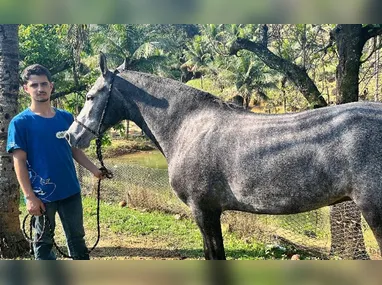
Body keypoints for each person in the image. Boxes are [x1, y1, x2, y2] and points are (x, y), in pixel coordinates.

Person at [7, 64, 104, 260]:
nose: (40, 89)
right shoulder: (19, 123)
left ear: (51, 86)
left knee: (77, 239)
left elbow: (75, 151)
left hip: (70, 191)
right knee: (43, 244)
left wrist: (95, 170)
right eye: (34, 85)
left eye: (44, 84)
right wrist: (29, 197)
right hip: (42, 197)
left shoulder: (66, 117)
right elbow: (19, 162)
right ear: (26, 89)